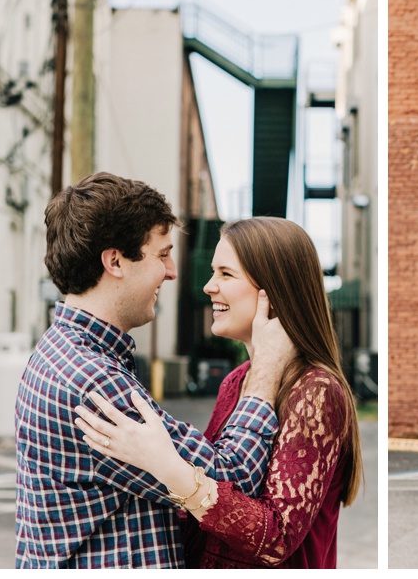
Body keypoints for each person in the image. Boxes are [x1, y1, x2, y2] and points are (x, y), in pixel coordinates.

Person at [15, 172, 293, 568]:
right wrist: (265, 373)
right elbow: (231, 478)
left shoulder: (65, 353)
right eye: (162, 253)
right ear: (115, 261)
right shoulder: (93, 381)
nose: (173, 270)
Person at [74, 216, 364, 569]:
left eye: (226, 274)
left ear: (272, 290)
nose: (209, 287)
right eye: (214, 273)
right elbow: (221, 486)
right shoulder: (236, 381)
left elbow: (276, 539)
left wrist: (169, 468)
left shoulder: (316, 392)